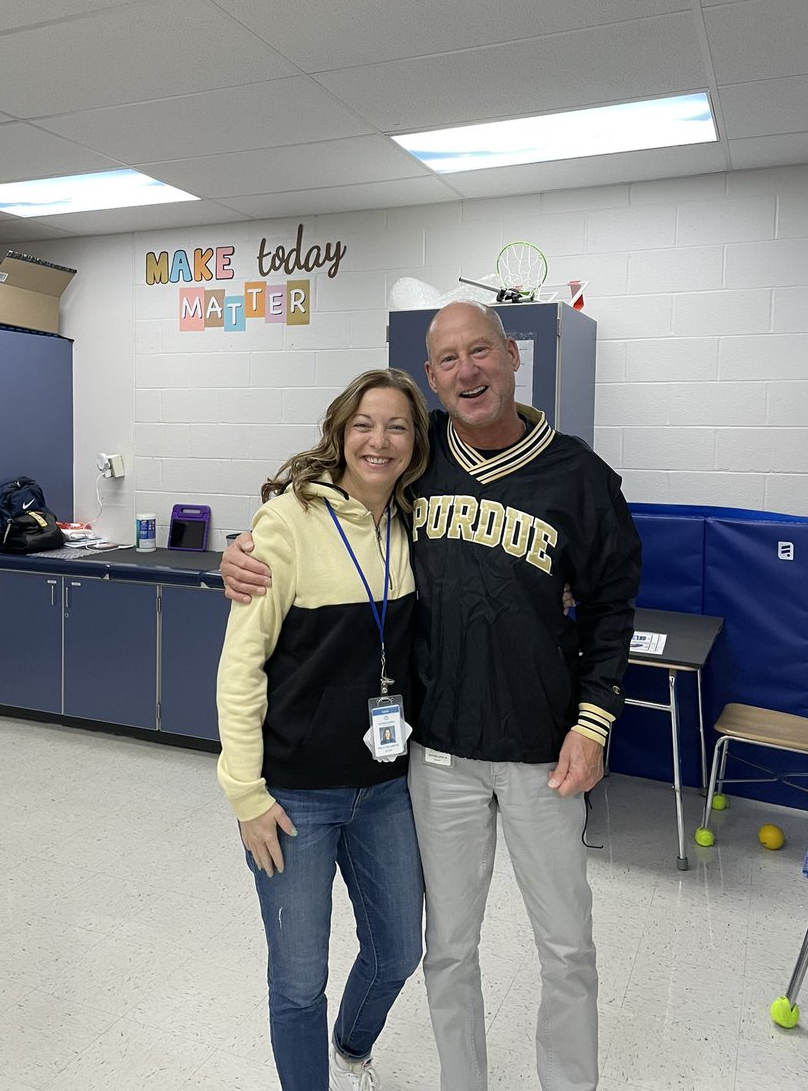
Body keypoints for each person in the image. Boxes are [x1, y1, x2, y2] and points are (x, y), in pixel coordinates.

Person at [222, 302, 642, 1091]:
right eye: (447, 361)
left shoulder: (580, 476)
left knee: (566, 946)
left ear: (512, 355)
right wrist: (241, 551)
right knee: (448, 947)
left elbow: (614, 605)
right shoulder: (419, 464)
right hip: (435, 754)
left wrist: (595, 720)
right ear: (432, 378)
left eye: (479, 351)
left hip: (544, 753)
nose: (467, 372)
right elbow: (322, 502)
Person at [216, 368, 431, 1091]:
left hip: (386, 787)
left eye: (397, 426)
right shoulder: (285, 525)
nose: (379, 440)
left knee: (399, 948)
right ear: (340, 433)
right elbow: (241, 667)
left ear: (414, 443)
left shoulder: (413, 522)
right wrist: (244, 793)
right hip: (294, 797)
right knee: (299, 978)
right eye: (364, 424)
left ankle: (353, 1044)